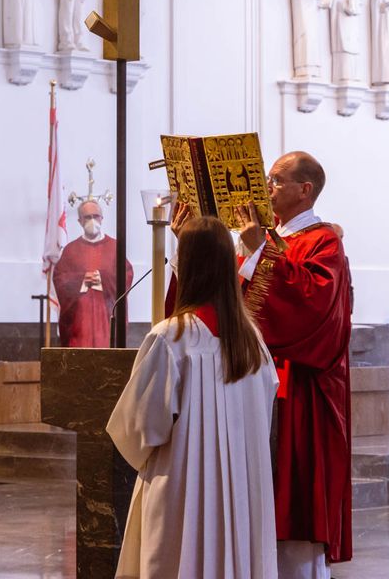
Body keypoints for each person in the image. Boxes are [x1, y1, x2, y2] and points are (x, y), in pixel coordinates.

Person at [173, 151, 351, 578]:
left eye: (274, 180)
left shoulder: (324, 242)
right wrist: (191, 246)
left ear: (304, 190)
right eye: (266, 179)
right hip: (248, 385)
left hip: (301, 392)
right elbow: (218, 301)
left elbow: (312, 309)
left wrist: (260, 252)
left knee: (294, 509)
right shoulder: (262, 242)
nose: (266, 188)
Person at [107, 216, 278, 579]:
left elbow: (140, 428)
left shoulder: (171, 338)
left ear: (187, 267)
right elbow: (261, 421)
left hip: (181, 488)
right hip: (241, 491)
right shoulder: (255, 343)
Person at [52, 199, 133, 347]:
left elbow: (126, 275)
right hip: (79, 323)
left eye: (95, 216)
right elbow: (60, 278)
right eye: (87, 217)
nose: (92, 220)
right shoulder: (71, 250)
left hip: (106, 318)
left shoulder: (115, 247)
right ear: (80, 221)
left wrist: (102, 279)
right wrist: (81, 280)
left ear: (101, 218)